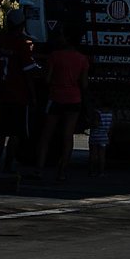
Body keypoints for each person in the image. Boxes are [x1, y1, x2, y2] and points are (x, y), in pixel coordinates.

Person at [34, 24, 89, 181]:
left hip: (56, 98)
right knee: (67, 135)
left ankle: (39, 169)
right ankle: (62, 171)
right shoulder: (82, 59)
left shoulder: (55, 56)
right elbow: (84, 85)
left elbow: (47, 79)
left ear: (66, 38)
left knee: (46, 135)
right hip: (74, 99)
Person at [0, 8, 38, 173]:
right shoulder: (21, 45)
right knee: (16, 132)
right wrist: (33, 96)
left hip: (4, 92)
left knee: (2, 130)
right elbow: (28, 73)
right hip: (19, 94)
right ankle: (8, 165)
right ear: (21, 24)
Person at [88, 105, 113, 177]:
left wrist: (90, 122)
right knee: (102, 156)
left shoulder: (97, 113)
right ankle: (101, 172)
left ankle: (91, 171)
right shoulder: (110, 114)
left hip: (95, 136)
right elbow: (111, 127)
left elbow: (95, 124)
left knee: (93, 154)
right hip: (104, 137)